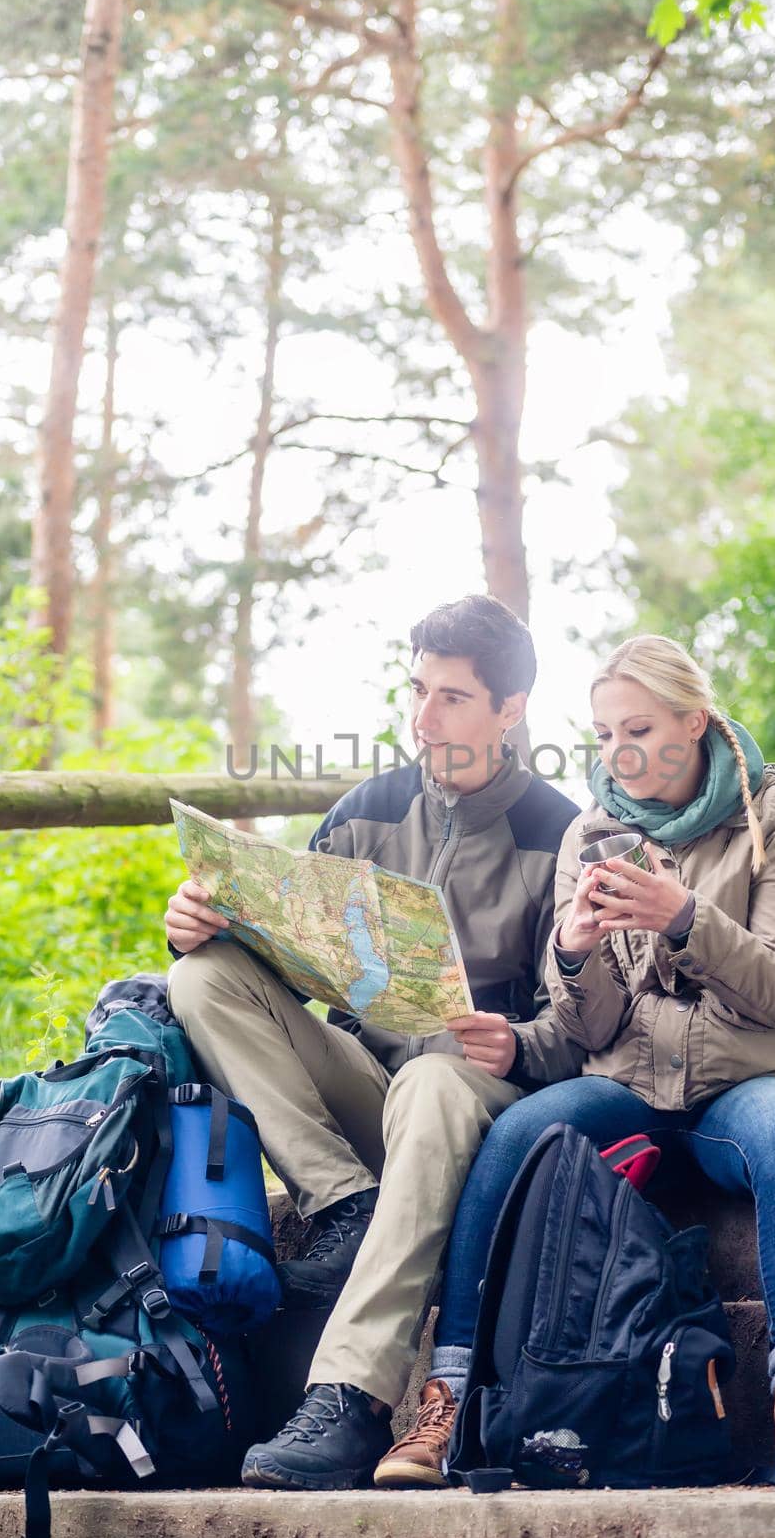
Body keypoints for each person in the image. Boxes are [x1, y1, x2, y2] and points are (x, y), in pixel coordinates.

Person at [377, 633, 775, 1490]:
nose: (618, 753)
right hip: (627, 1084)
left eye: (638, 729)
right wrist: (571, 953)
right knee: (517, 1135)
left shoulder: (774, 816)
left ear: (696, 722)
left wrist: (685, 919)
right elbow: (587, 1024)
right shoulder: (592, 833)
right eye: (602, 735)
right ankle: (444, 1400)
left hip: (747, 1085)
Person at [164, 594, 581, 1490]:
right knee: (200, 977)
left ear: (510, 710)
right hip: (366, 1095)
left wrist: (521, 1044)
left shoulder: (560, 835)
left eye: (453, 698)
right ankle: (343, 1201)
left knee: (432, 1080)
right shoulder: (364, 813)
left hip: (480, 1106)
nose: (422, 720)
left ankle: (350, 1401)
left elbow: (586, 1029)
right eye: (417, 690)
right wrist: (203, 923)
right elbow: (279, 968)